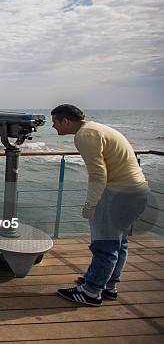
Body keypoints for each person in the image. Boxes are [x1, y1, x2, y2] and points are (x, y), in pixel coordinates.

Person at [50, 104, 149, 307]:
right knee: (119, 243)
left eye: (55, 123)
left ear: (66, 121)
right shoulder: (96, 128)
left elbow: (98, 174)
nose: (54, 127)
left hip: (118, 195)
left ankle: (91, 292)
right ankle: (108, 285)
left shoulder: (85, 135)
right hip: (136, 191)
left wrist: (90, 204)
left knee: (104, 246)